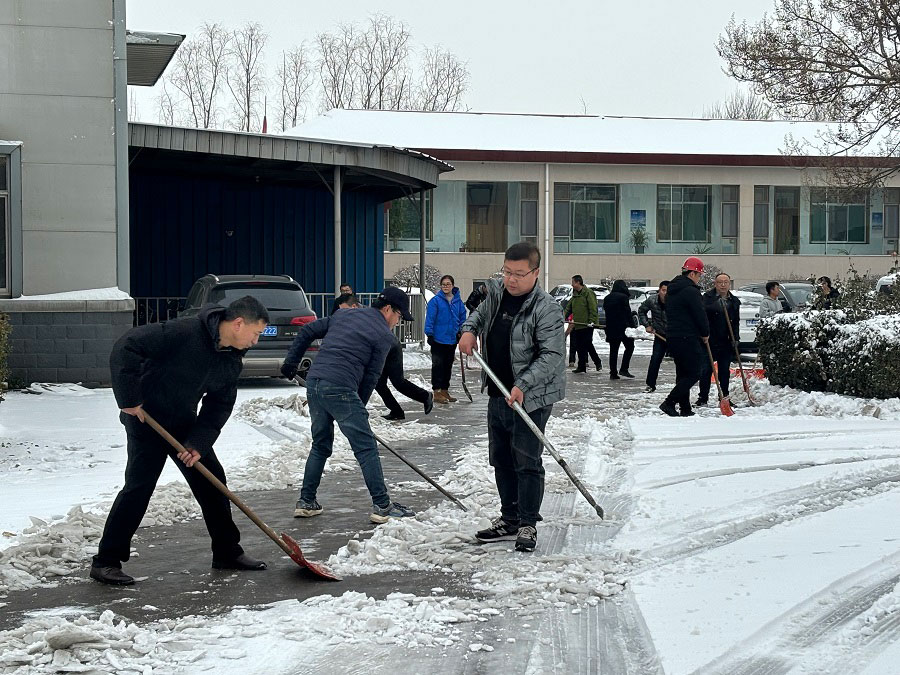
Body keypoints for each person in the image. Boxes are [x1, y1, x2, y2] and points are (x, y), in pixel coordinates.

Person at [90, 297, 271, 586]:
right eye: (256, 332)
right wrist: (129, 398)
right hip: (145, 419)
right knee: (139, 487)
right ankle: (106, 562)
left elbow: (219, 405)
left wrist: (197, 443)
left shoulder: (230, 359)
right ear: (238, 323)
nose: (256, 340)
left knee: (213, 482)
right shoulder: (183, 332)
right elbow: (128, 346)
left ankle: (226, 552)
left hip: (184, 425)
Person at [458, 242, 565, 553]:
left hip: (531, 396)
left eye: (519, 273)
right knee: (501, 458)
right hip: (498, 390)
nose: (511, 279)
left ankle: (528, 522)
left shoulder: (547, 309)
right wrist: (468, 330)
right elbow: (477, 317)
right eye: (507, 272)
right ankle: (510, 518)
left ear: (535, 272)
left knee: (526, 459)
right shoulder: (496, 295)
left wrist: (523, 384)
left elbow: (552, 356)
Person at [281, 287, 416, 524]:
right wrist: (358, 408)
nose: (398, 322)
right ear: (387, 309)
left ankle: (306, 501)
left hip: (315, 383)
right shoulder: (384, 336)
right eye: (400, 316)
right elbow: (371, 376)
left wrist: (290, 363)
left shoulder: (344, 315)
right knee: (365, 448)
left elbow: (307, 331)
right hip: (340, 386)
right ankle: (383, 505)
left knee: (320, 445)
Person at [659, 257, 710, 417]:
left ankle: (685, 408)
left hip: (673, 336)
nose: (699, 278)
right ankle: (669, 402)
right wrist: (705, 333)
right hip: (687, 336)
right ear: (693, 273)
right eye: (699, 275)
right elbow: (699, 314)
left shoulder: (672, 290)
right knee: (694, 373)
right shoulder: (691, 291)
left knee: (682, 373)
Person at [696, 273, 741, 406]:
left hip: (726, 340)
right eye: (720, 282)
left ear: (729, 284)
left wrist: (736, 338)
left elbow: (736, 322)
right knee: (706, 370)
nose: (723, 285)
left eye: (725, 282)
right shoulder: (707, 298)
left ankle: (724, 396)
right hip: (709, 340)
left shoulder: (734, 301)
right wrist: (717, 305)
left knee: (724, 371)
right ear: (715, 284)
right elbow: (702, 315)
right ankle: (703, 398)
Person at [424, 274, 468, 404]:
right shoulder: (435, 301)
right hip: (438, 338)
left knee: (448, 365)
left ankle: (444, 390)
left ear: (453, 285)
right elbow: (430, 319)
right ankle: (436, 391)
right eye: (443, 284)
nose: (446, 287)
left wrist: (462, 331)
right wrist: (429, 334)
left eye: (448, 284)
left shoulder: (458, 302)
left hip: (451, 338)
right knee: (438, 365)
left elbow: (462, 318)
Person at [376, 336, 435, 421]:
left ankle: (425, 396)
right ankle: (396, 411)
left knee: (398, 381)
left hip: (391, 347)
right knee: (379, 383)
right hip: (380, 348)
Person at [564, 275, 601, 373]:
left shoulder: (588, 293)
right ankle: (581, 366)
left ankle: (597, 362)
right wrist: (562, 317)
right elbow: (569, 308)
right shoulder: (575, 295)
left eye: (573, 282)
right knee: (580, 345)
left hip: (588, 324)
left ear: (578, 282)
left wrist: (592, 321)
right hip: (578, 324)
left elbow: (593, 308)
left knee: (587, 343)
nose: (572, 284)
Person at [638, 280, 669, 393]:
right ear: (659, 290)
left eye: (668, 291)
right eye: (663, 290)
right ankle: (650, 384)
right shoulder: (652, 300)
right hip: (660, 334)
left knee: (682, 362)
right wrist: (647, 325)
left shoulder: (675, 301)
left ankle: (682, 386)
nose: (665, 293)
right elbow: (641, 311)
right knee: (655, 359)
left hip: (674, 335)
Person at [602, 280, 635, 379]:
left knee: (613, 351)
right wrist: (633, 327)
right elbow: (627, 313)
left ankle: (613, 373)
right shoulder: (623, 297)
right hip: (623, 328)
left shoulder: (607, 298)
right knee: (630, 347)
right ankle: (624, 369)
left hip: (611, 327)